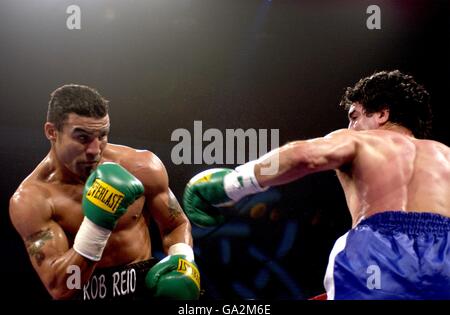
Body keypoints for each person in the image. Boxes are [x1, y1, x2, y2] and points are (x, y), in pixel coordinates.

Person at [183, 70, 450, 299]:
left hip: (379, 248)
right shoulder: (445, 154)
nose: (350, 125)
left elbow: (303, 156)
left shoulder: (360, 140)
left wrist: (233, 183)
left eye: (354, 115)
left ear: (382, 113)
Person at [9, 84, 200, 300]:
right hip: (86, 293)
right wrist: (98, 224)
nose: (94, 150)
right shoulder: (31, 200)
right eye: (82, 138)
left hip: (145, 286)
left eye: (102, 135)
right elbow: (60, 287)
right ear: (52, 132)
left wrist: (182, 260)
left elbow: (175, 224)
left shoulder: (141, 166)